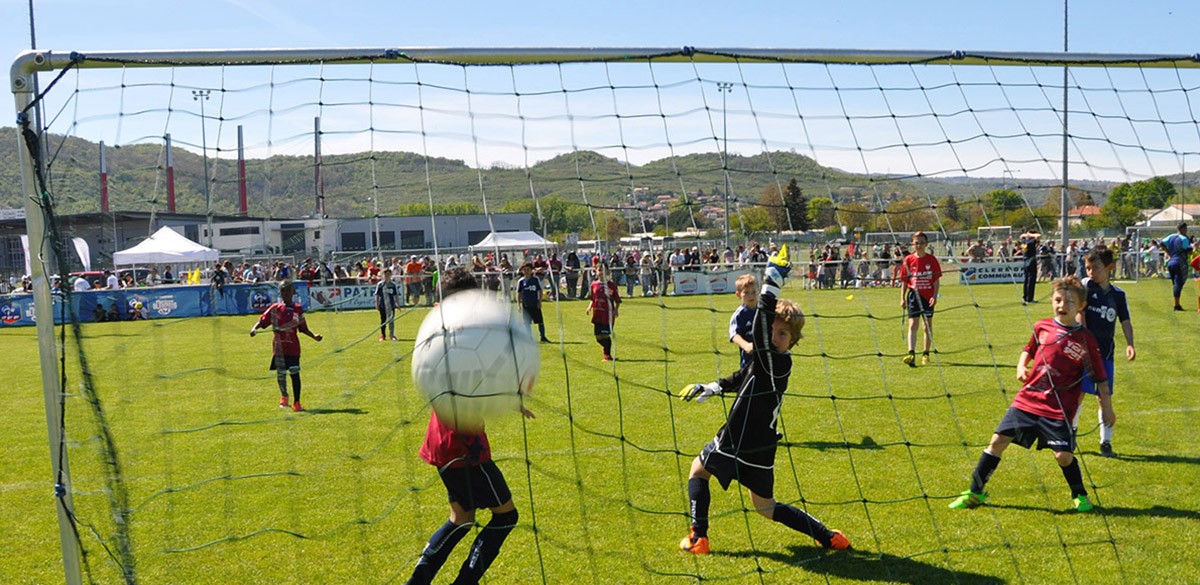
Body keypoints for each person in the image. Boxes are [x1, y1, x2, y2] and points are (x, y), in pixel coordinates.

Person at [677, 245, 850, 555]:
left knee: (697, 471)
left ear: (793, 341)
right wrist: (712, 387)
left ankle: (698, 538)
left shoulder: (777, 361)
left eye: (782, 334)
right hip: (762, 445)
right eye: (773, 330)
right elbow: (742, 376)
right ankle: (829, 537)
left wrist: (771, 282)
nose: (774, 337)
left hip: (739, 437)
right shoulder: (767, 360)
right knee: (766, 508)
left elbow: (758, 333)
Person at [404, 267, 534, 585]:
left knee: (461, 519)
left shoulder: (438, 329)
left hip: (441, 440)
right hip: (464, 446)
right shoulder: (464, 331)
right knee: (506, 516)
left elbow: (469, 377)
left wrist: (506, 396)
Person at [949, 275, 1112, 512]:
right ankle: (975, 492)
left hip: (1058, 407)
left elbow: (1100, 377)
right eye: (1057, 300)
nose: (1062, 305)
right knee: (997, 441)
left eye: (1069, 302)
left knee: (1063, 456)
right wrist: (1020, 366)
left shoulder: (1086, 340)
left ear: (1081, 306)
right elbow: (1028, 349)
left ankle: (1080, 495)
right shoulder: (1042, 327)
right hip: (1027, 400)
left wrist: (1107, 407)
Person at [1077, 247, 1134, 458]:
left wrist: (1130, 344)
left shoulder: (1118, 295)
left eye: (1095, 268)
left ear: (1110, 267)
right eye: (1088, 268)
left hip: (1106, 354)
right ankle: (1071, 433)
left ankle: (1106, 442)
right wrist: (1083, 337)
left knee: (1104, 397)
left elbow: (1125, 321)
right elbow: (1080, 313)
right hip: (1085, 353)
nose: (1091, 272)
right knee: (1079, 394)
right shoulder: (1086, 286)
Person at [249, 279, 323, 412]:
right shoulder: (275, 308)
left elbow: (303, 328)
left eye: (288, 290)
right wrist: (254, 329)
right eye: (283, 291)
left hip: (293, 348)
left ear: (293, 292)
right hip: (279, 348)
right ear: (280, 292)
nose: (286, 293)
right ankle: (284, 396)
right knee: (281, 374)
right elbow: (262, 320)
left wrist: (314, 336)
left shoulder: (298, 309)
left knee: (295, 374)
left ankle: (297, 402)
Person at [899, 231, 942, 367]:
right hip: (913, 295)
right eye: (916, 243)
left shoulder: (932, 260)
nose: (919, 245)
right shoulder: (908, 260)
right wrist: (902, 298)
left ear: (926, 244)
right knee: (913, 324)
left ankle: (926, 353)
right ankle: (911, 353)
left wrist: (934, 296)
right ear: (912, 244)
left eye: (921, 243)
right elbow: (904, 281)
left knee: (927, 325)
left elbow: (936, 280)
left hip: (927, 297)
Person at [586, 264, 620, 361]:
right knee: (598, 337)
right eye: (599, 270)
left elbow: (617, 300)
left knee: (605, 335)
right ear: (596, 271)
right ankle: (606, 349)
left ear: (608, 272)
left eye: (604, 270)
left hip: (607, 315)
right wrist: (589, 307)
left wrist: (616, 310)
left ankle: (607, 355)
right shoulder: (594, 284)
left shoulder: (611, 285)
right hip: (597, 314)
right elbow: (593, 298)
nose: (601, 272)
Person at [728, 273, 758, 370]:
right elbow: (734, 335)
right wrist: (746, 345)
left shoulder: (763, 310)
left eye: (754, 292)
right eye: (746, 292)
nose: (751, 295)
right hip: (749, 362)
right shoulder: (739, 314)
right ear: (738, 294)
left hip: (767, 358)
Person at [516, 262, 550, 343]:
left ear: (531, 270)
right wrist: (518, 304)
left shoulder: (535, 279)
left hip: (535, 304)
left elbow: (540, 291)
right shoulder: (521, 281)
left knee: (540, 321)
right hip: (526, 305)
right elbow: (518, 293)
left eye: (528, 269)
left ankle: (543, 337)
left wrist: (539, 302)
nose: (526, 271)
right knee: (527, 323)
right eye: (525, 270)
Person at [1162, 222, 1192, 311]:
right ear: (1182, 229)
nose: (1186, 231)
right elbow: (1189, 249)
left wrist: (1168, 252)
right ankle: (1177, 305)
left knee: (1175, 284)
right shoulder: (1184, 238)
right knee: (1178, 284)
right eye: (1185, 229)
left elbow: (1161, 243)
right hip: (1180, 262)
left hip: (1171, 262)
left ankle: (1177, 303)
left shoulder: (1171, 236)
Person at [375, 268, 402, 341]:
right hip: (382, 305)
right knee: (383, 320)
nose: (387, 276)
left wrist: (398, 304)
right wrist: (377, 304)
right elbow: (377, 295)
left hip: (391, 305)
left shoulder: (393, 284)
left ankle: (392, 335)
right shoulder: (380, 284)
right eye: (386, 274)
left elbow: (396, 295)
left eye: (389, 274)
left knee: (391, 320)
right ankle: (383, 335)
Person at [1018, 230, 1040, 303]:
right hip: (1031, 261)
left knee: (1026, 280)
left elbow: (1021, 236)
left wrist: (1026, 235)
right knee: (1031, 281)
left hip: (1025, 261)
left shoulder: (1024, 241)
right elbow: (1038, 236)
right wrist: (1030, 235)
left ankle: (1025, 297)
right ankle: (1030, 298)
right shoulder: (1031, 241)